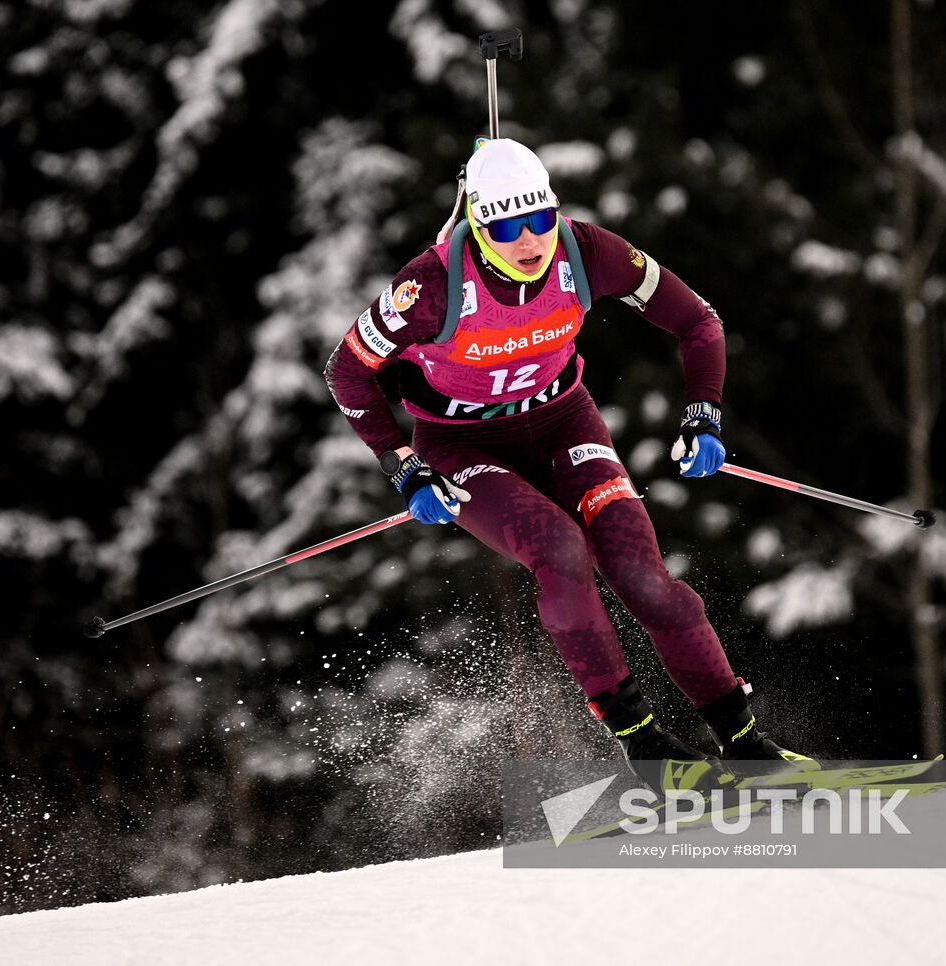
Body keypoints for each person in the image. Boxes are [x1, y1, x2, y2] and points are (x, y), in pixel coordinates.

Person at [324, 139, 807, 789]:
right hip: (463, 446)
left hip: (564, 422)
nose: (528, 240)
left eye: (539, 219)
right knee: (559, 549)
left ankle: (746, 744)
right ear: (476, 223)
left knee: (641, 575)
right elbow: (348, 372)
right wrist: (403, 465)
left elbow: (699, 323)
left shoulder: (588, 252)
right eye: (505, 226)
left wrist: (704, 413)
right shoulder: (430, 288)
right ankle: (646, 748)